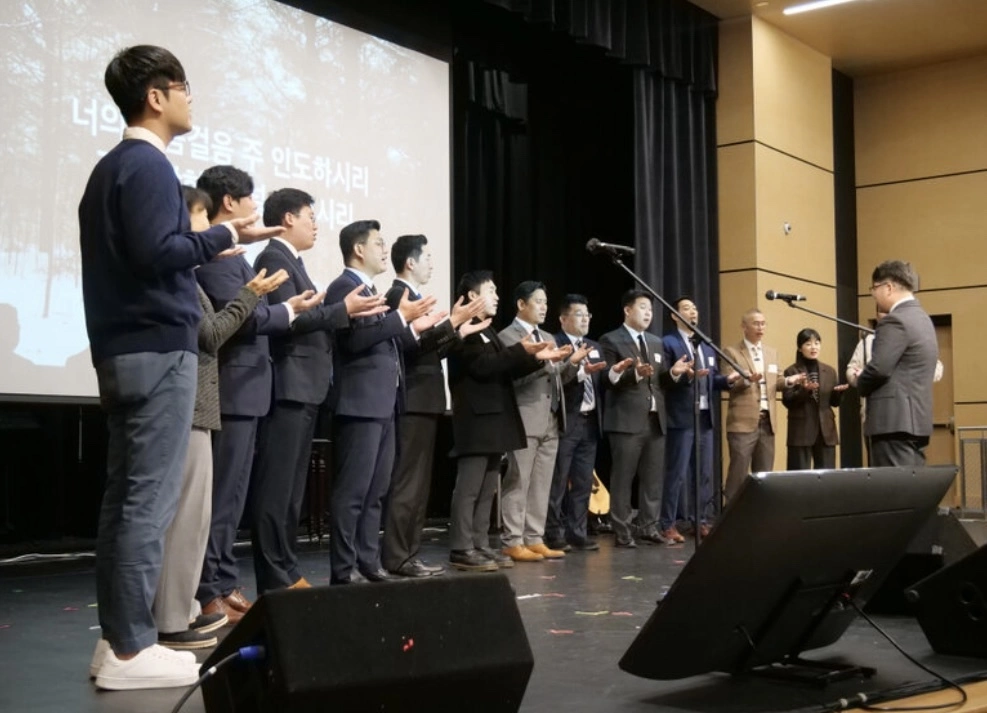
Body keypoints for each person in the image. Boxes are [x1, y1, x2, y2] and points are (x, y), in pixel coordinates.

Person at [79, 45, 279, 690]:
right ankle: (133, 650)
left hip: (128, 350)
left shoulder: (115, 168)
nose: (191, 97)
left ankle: (120, 640)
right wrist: (228, 236)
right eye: (183, 86)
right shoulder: (144, 165)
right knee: (146, 502)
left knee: (128, 501)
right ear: (156, 97)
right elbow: (156, 252)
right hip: (157, 351)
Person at [151, 187, 288, 650]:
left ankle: (190, 604)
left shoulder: (191, 272)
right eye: (197, 217)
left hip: (206, 401)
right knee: (194, 512)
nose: (203, 227)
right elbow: (211, 334)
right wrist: (253, 294)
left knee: (206, 508)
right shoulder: (188, 271)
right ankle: (189, 604)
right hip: (197, 401)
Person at [193, 167, 326, 623]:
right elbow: (246, 319)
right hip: (232, 389)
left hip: (251, 390)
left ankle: (224, 581)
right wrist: (288, 309)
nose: (255, 207)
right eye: (250, 199)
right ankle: (210, 586)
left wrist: (280, 308)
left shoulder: (236, 256)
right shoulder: (216, 257)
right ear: (229, 203)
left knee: (233, 498)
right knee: (222, 496)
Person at [247, 191, 385, 594]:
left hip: (304, 389)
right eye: (310, 215)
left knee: (291, 493)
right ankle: (277, 576)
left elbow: (303, 314)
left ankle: (287, 571)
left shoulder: (293, 263)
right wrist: (342, 311)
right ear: (288, 218)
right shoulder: (273, 259)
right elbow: (287, 319)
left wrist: (326, 309)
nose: (316, 223)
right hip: (288, 387)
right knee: (277, 492)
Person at [325, 221, 443, 585]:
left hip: (385, 404)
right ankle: (344, 568)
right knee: (353, 492)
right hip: (359, 405)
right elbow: (353, 343)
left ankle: (368, 562)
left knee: (376, 492)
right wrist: (402, 318)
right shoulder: (344, 288)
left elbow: (383, 341)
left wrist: (412, 327)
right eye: (378, 243)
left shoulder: (371, 289)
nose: (383, 249)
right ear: (358, 249)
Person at [380, 234, 487, 578]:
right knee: (407, 483)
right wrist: (452, 325)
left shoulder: (414, 296)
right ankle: (398, 556)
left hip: (426, 397)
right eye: (426, 256)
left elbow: (428, 349)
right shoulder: (399, 295)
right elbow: (406, 348)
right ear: (409, 262)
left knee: (419, 484)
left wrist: (455, 332)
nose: (431, 263)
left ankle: (409, 554)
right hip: (411, 397)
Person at [446, 271, 564, 571]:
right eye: (491, 290)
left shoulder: (487, 330)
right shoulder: (462, 329)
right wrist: (521, 351)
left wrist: (536, 358)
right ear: (473, 296)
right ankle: (461, 547)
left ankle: (480, 544)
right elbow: (483, 367)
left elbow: (503, 370)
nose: (498, 296)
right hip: (475, 420)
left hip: (495, 419)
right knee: (470, 487)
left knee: (487, 488)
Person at [598, 290, 690, 548]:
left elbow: (659, 380)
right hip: (625, 421)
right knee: (623, 478)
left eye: (650, 309)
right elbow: (607, 379)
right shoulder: (611, 339)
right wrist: (633, 374)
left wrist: (673, 372)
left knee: (653, 478)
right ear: (627, 310)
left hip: (655, 419)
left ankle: (649, 526)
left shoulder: (655, 342)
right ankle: (622, 529)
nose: (648, 313)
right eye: (642, 307)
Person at [498, 282, 579, 562]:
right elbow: (512, 378)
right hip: (523, 416)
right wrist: (541, 361)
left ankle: (534, 537)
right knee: (519, 479)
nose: (544, 307)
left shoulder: (547, 336)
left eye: (546, 302)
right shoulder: (508, 336)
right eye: (538, 301)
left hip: (551, 417)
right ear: (522, 304)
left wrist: (572, 364)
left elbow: (555, 376)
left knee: (543, 482)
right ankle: (512, 539)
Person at [659, 297, 736, 542]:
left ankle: (700, 519)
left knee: (703, 473)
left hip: (704, 416)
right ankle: (668, 522)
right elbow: (665, 381)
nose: (692, 312)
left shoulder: (705, 345)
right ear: (674, 315)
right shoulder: (668, 343)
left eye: (695, 308)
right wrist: (685, 375)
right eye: (686, 308)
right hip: (681, 417)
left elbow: (711, 379)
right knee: (677, 472)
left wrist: (728, 381)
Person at [854, 260, 938, 467]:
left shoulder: (895, 320)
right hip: (916, 420)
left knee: (894, 494)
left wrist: (860, 383)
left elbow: (879, 369)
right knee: (910, 491)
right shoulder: (923, 319)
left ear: (888, 287)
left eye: (874, 288)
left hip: (892, 423)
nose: (873, 294)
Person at [545, 295, 607, 552]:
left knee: (582, 482)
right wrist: (581, 372)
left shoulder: (594, 346)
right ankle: (553, 532)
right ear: (563, 319)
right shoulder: (555, 344)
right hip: (566, 421)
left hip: (590, 421)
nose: (585, 319)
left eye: (588, 314)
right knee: (558, 481)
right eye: (579, 314)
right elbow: (555, 382)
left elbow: (603, 383)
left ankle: (577, 532)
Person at [721, 308, 803, 501]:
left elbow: (778, 381)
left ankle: (758, 517)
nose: (760, 327)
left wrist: (791, 381)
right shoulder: (731, 352)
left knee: (764, 475)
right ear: (744, 326)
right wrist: (747, 379)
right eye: (756, 323)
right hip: (742, 423)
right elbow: (728, 383)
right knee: (738, 473)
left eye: (763, 323)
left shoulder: (771, 353)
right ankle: (732, 517)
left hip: (767, 423)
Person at [846, 306, 943, 463]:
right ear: (877, 316)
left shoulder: (911, 335)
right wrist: (860, 377)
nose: (887, 317)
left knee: (908, 470)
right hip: (875, 413)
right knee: (878, 468)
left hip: (910, 411)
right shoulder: (868, 342)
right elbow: (852, 371)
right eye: (883, 313)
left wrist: (908, 376)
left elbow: (937, 368)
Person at [781, 328, 848, 470]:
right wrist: (805, 391)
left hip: (826, 431)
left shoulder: (829, 371)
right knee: (799, 477)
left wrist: (839, 393)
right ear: (800, 348)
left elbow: (833, 403)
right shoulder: (791, 371)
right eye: (808, 344)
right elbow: (788, 401)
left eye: (817, 343)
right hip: (801, 431)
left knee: (827, 477)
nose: (814, 347)